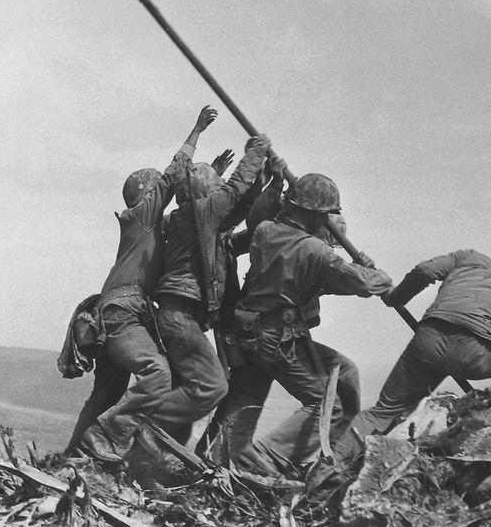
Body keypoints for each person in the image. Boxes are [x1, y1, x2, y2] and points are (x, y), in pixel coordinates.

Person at [210, 173, 392, 474]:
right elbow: (363, 284)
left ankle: (215, 460)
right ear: (315, 214)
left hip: (247, 333)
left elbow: (310, 274)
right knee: (330, 405)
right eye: (324, 216)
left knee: (244, 402)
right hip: (279, 338)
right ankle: (269, 458)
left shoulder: (266, 232)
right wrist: (376, 272)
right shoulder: (315, 251)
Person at [67, 106, 219, 460]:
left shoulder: (148, 229)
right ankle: (106, 437)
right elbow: (172, 176)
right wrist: (196, 132)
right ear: (146, 195)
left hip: (113, 313)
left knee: (106, 393)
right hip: (123, 312)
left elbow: (191, 207)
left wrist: (211, 178)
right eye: (156, 192)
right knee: (157, 373)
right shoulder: (139, 217)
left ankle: (73, 457)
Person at [348, 242, 491, 440]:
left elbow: (426, 270)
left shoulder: (469, 257)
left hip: (427, 341)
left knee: (382, 413)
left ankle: (329, 461)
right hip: (471, 354)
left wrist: (396, 297)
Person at [147, 131, 272, 443]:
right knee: (214, 387)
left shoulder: (197, 220)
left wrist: (267, 179)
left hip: (180, 316)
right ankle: (133, 422)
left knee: (185, 395)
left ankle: (152, 456)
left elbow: (240, 206)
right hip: (180, 316)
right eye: (217, 184)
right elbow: (235, 192)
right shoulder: (201, 212)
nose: (222, 189)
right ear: (206, 192)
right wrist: (255, 153)